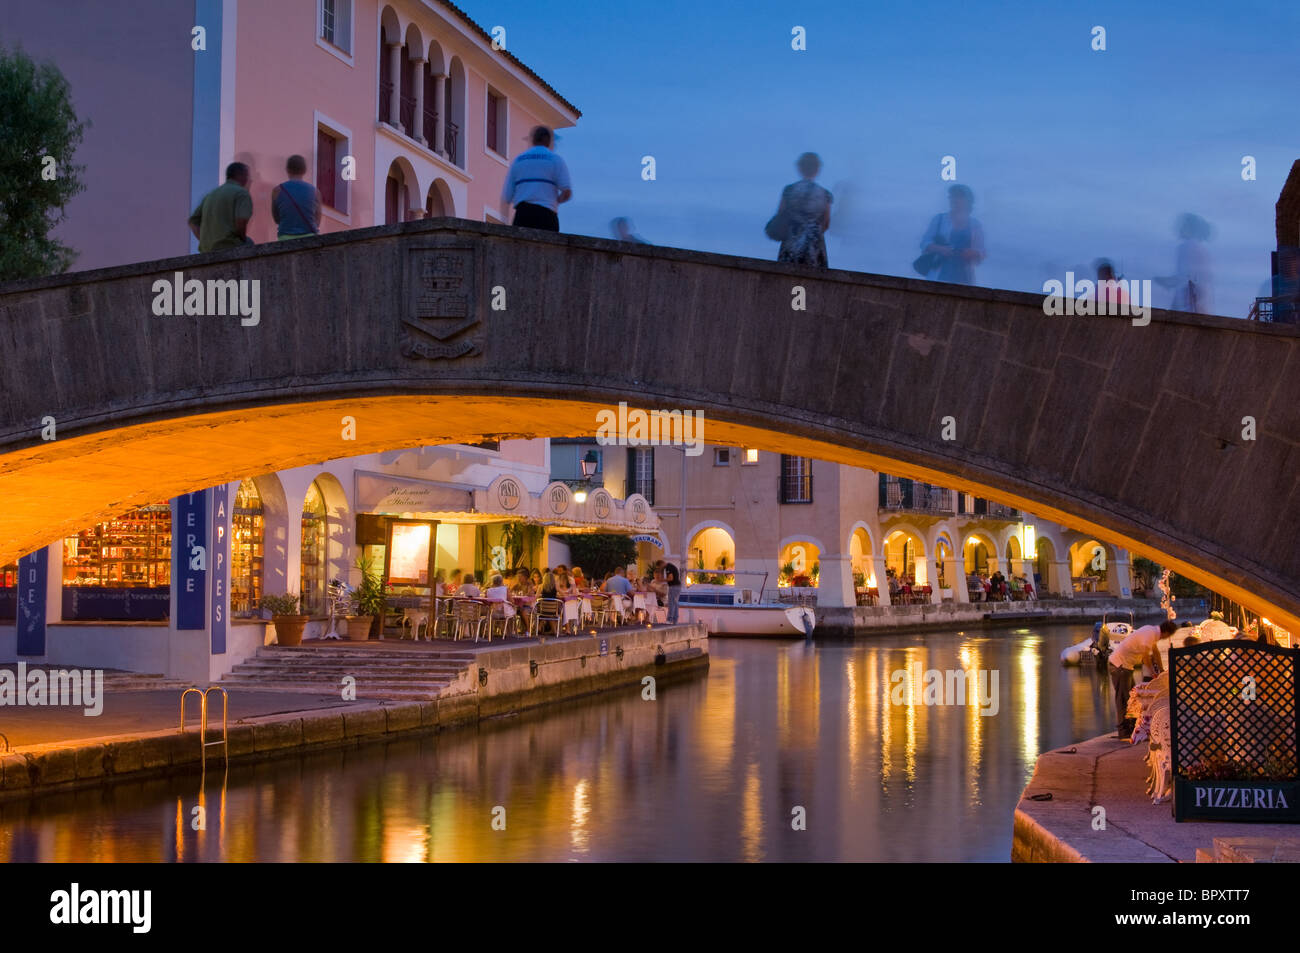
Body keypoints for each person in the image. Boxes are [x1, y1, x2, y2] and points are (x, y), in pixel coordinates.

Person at [1108, 621, 1177, 739]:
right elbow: (1146, 657)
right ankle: (1123, 731)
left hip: (1126, 666)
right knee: (1123, 699)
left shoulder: (1152, 631)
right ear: (1166, 633)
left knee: (1132, 699)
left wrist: (1162, 670)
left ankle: (1130, 728)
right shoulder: (1150, 634)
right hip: (1119, 665)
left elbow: (1155, 653)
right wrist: (1153, 673)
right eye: (1169, 636)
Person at [501, 125, 572, 231]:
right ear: (549, 141)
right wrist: (557, 200)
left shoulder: (519, 160)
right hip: (547, 216)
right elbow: (567, 192)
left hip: (523, 215)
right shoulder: (556, 160)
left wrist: (504, 223)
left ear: (533, 140)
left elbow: (506, 197)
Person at [918, 184, 985, 285]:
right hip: (938, 276)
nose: (955, 199)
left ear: (968, 201)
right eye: (953, 196)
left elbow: (981, 252)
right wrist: (941, 249)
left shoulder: (975, 224)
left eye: (959, 196)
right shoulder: (939, 219)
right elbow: (924, 243)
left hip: (964, 279)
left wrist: (971, 253)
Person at [774, 152, 832, 268]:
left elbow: (780, 215)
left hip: (791, 240)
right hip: (814, 243)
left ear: (800, 168)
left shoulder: (789, 190)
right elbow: (826, 223)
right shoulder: (825, 195)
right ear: (817, 169)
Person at [188, 162, 253, 252]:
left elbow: (192, 222)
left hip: (207, 248)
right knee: (250, 244)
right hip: (229, 245)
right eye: (247, 176)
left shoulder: (211, 194)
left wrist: (204, 240)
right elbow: (241, 222)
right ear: (240, 175)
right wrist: (242, 239)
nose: (248, 179)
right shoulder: (242, 193)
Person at [270, 154, 321, 240]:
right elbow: (317, 221)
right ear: (304, 170)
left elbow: (276, 219)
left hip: (285, 237)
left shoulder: (277, 190)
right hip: (310, 237)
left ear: (287, 170)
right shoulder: (315, 192)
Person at [656, 559, 682, 623]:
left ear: (661, 564)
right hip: (677, 586)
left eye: (659, 567)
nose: (660, 568)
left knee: (671, 603)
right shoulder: (670, 566)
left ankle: (669, 620)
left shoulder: (668, 567)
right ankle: (675, 620)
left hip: (673, 586)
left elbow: (671, 578)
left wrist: (661, 580)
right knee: (675, 603)